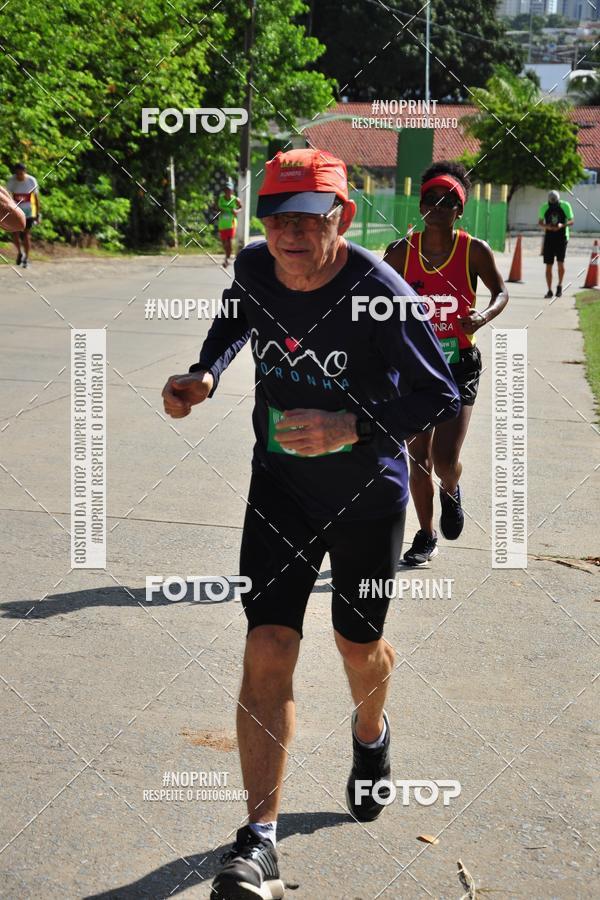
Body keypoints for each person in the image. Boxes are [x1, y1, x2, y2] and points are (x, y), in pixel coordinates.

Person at [162, 148, 460, 900]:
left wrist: (349, 427)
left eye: (307, 219)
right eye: (275, 217)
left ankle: (371, 737)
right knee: (267, 645)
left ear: (343, 218)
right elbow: (237, 314)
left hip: (367, 497)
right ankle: (259, 841)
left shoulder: (379, 291)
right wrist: (206, 372)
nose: (289, 235)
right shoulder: (257, 266)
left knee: (357, 649)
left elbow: (438, 394)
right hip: (282, 490)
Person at [384, 161, 508, 567]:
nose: (436, 206)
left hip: (459, 365)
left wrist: (483, 317)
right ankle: (425, 534)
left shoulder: (473, 250)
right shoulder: (402, 251)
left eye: (447, 200)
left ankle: (451, 489)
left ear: (460, 209)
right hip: (416, 367)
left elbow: (500, 293)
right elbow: (373, 298)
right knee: (417, 456)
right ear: (420, 205)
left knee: (443, 460)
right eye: (430, 199)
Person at [538, 189, 574, 299]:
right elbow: (540, 222)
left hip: (562, 237)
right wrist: (547, 226)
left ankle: (559, 285)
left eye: (555, 202)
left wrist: (561, 225)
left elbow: (571, 221)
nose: (553, 204)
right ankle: (549, 290)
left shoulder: (565, 205)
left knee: (560, 263)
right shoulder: (544, 207)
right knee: (548, 265)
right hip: (549, 238)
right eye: (551, 202)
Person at [6, 163, 40, 267]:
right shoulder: (12, 181)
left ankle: (26, 257)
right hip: (15, 210)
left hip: (28, 211)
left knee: (26, 234)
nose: (19, 176)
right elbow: (7, 196)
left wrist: (37, 213)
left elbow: (36, 198)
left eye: (21, 173)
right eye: (17, 174)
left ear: (25, 172)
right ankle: (20, 253)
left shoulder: (31, 181)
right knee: (14, 233)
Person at [217, 178, 242, 267]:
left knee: (229, 241)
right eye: (226, 190)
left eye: (229, 190)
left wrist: (236, 211)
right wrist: (220, 210)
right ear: (224, 190)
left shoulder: (236, 199)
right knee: (224, 243)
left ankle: (227, 258)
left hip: (231, 224)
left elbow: (240, 208)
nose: (228, 192)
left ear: (232, 191)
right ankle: (227, 256)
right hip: (222, 224)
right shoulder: (221, 199)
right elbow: (218, 208)